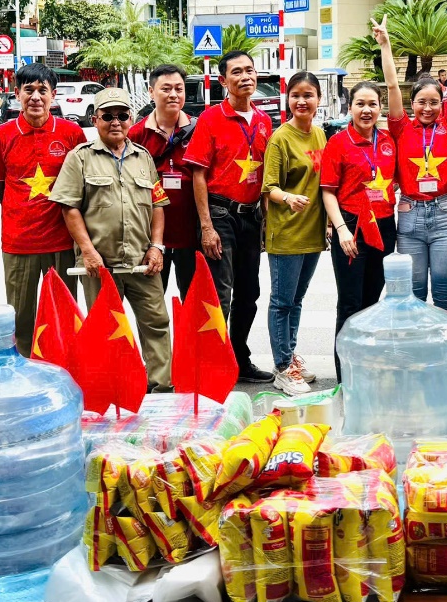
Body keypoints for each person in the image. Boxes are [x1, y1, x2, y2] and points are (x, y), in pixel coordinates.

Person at [51, 87, 172, 390]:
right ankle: (118, 388)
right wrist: (88, 251)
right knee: (106, 329)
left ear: (131, 118)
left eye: (122, 115)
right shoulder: (80, 158)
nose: (115, 121)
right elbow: (69, 208)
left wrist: (157, 247)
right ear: (95, 119)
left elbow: (158, 204)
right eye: (108, 116)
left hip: (142, 262)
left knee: (156, 323)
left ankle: (160, 386)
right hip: (98, 265)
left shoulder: (142, 157)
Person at [183, 50, 273, 382]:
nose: (246, 76)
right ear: (223, 81)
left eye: (250, 70)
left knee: (250, 293)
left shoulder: (264, 121)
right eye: (237, 72)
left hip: (252, 218)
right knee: (220, 295)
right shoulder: (210, 119)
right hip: (220, 215)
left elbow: (269, 175)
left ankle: (238, 358)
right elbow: (198, 174)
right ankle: (212, 364)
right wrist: (206, 226)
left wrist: (267, 221)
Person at [378, 19, 447, 310]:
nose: (427, 108)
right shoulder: (401, 128)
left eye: (434, 102)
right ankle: (419, 352)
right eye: (421, 102)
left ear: (441, 104)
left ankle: (446, 353)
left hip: (445, 216)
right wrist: (385, 45)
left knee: (445, 295)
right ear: (412, 104)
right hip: (410, 218)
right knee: (416, 294)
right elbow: (392, 84)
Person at [0, 62, 86, 356]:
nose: (35, 97)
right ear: (17, 94)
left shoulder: (71, 133)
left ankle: (66, 369)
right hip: (19, 243)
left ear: (53, 95)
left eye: (43, 90)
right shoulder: (1, 136)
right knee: (21, 319)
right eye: (28, 90)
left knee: (63, 315)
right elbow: (0, 187)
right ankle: (26, 375)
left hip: (62, 241)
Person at [321, 79, 397, 373]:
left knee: (373, 301)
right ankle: (346, 373)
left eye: (372, 104)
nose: (367, 110)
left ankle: (369, 367)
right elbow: (327, 191)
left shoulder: (389, 141)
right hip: (351, 226)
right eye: (360, 104)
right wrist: (339, 229)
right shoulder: (338, 143)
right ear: (349, 107)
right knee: (350, 303)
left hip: (384, 226)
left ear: (380, 107)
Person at [262, 70, 327, 395]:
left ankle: (289, 356)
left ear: (319, 99)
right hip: (286, 232)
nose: (302, 101)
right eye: (296, 95)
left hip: (313, 233)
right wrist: (288, 197)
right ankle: (283, 367)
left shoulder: (320, 135)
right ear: (288, 99)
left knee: (297, 300)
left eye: (308, 95)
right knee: (282, 302)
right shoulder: (280, 138)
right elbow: (268, 187)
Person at [128, 64, 199, 299]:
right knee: (152, 307)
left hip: (192, 235)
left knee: (194, 305)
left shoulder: (199, 129)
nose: (173, 94)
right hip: (150, 239)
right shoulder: (136, 135)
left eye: (179, 88)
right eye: (166, 88)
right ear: (151, 92)